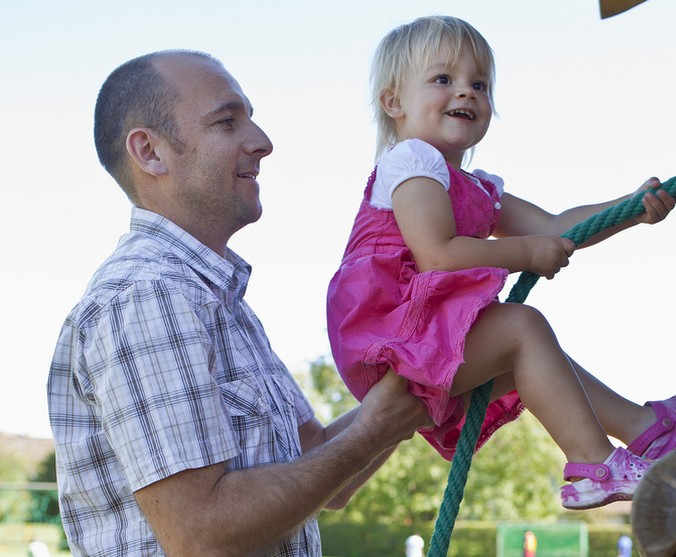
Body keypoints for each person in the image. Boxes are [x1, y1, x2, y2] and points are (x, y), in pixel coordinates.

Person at [47, 50, 431, 557]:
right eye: (227, 122)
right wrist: (376, 427)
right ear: (150, 152)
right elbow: (200, 533)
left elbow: (320, 464)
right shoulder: (150, 296)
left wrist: (425, 377)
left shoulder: (218, 302)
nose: (262, 143)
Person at [326, 15, 676, 511]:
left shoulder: (477, 188)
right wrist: (525, 254)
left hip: (425, 336)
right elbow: (437, 254)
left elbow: (556, 226)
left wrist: (632, 208)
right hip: (389, 334)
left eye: (479, 83)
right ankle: (593, 463)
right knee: (523, 326)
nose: (466, 92)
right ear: (394, 102)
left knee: (535, 354)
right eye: (444, 79)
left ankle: (645, 430)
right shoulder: (410, 162)